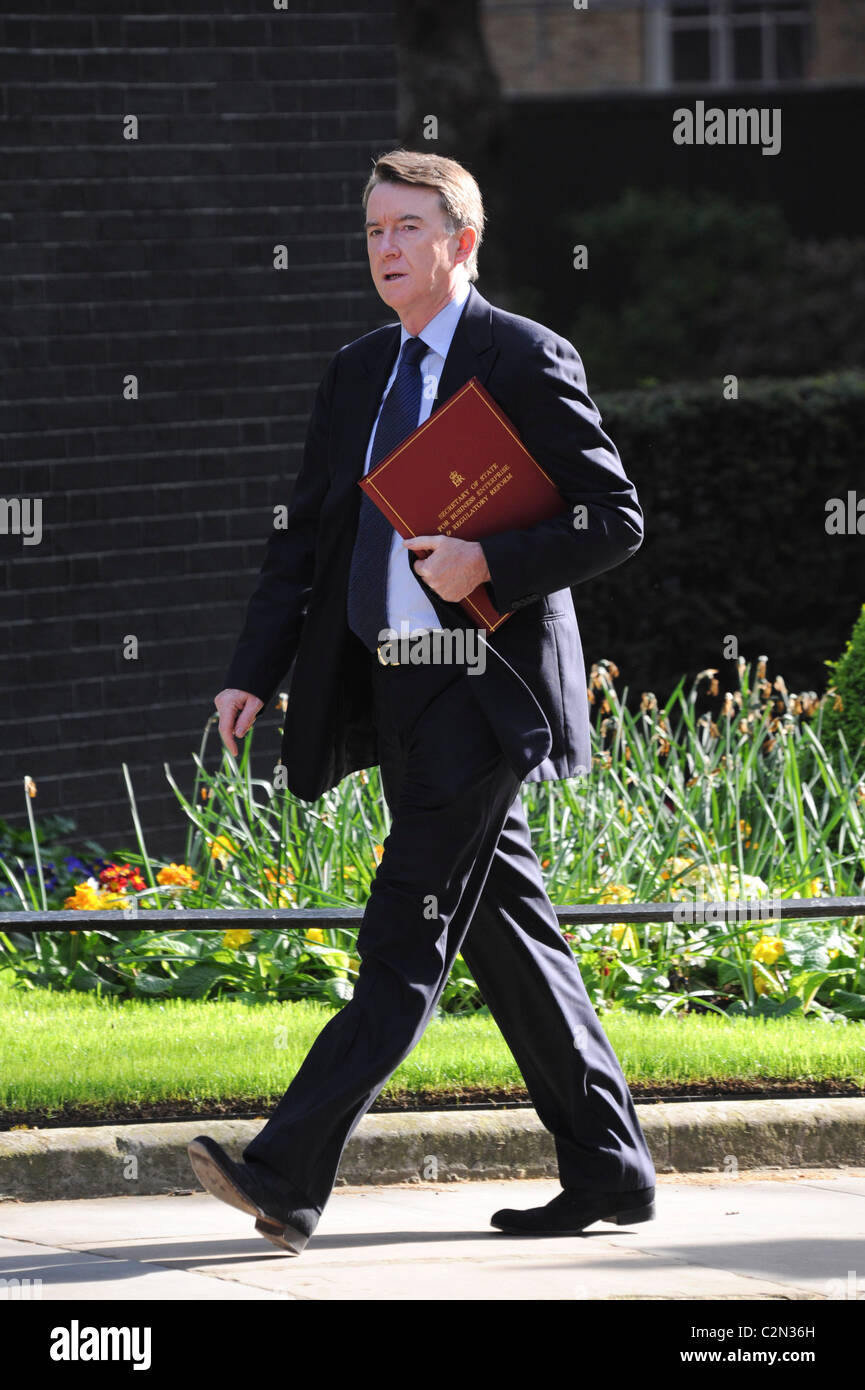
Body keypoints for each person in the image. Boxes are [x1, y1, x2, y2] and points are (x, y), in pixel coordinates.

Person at [187, 150, 657, 1255]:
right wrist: (254, 666)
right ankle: (612, 1168)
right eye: (372, 233)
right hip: (390, 686)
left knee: (406, 932)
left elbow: (613, 518)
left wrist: (485, 560)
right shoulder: (358, 370)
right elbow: (303, 538)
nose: (385, 250)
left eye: (406, 229)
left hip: (482, 695)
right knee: (512, 939)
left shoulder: (522, 355)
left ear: (463, 241)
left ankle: (286, 1172)